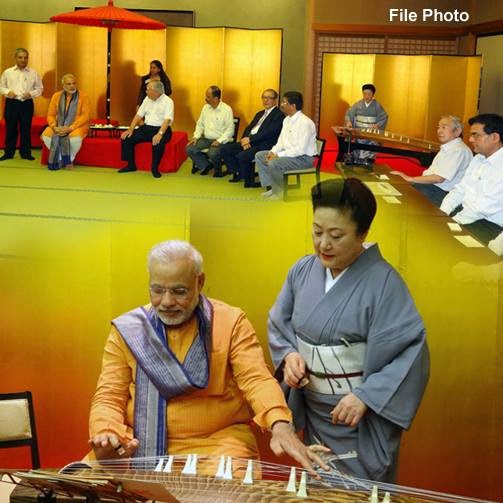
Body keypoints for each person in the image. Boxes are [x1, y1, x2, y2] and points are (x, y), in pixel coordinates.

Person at [88, 240, 327, 475]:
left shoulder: (231, 322)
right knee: (81, 482)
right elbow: (109, 395)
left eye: (179, 291)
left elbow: (256, 379)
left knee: (227, 486)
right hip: (140, 444)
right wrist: (106, 433)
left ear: (199, 282)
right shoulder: (129, 330)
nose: (167, 302)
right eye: (157, 290)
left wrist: (280, 425)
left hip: (217, 444)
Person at [268, 178, 429, 482]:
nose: (323, 244)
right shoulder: (302, 271)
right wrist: (289, 356)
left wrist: (366, 396)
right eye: (317, 231)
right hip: (314, 410)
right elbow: (279, 323)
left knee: (361, 492)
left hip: (358, 417)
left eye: (336, 235)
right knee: (316, 486)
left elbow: (411, 352)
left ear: (362, 233)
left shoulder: (385, 283)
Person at [440, 113, 503, 235]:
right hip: (466, 214)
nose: (470, 140)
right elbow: (460, 189)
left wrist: (453, 222)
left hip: (490, 226)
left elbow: (485, 207)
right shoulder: (478, 158)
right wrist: (441, 213)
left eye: (476, 135)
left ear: (495, 137)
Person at [390, 115, 472, 207]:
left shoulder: (458, 150)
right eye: (438, 127)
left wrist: (410, 179)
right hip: (432, 188)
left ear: (457, 131)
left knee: (400, 199)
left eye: (444, 127)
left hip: (441, 194)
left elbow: (439, 178)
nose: (439, 131)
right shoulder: (450, 147)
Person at [255, 91, 316, 199]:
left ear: (293, 106)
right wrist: (272, 152)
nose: (281, 105)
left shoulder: (305, 123)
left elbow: (300, 150)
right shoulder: (286, 120)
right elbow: (281, 141)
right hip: (288, 155)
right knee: (260, 156)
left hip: (303, 158)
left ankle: (279, 192)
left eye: (284, 102)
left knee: (274, 162)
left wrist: (278, 155)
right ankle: (272, 187)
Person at [220, 89, 284, 187]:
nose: (266, 100)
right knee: (225, 149)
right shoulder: (260, 113)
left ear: (275, 100)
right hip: (250, 141)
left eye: (269, 98)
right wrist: (244, 140)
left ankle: (249, 181)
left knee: (243, 155)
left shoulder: (279, 115)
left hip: (264, 144)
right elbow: (249, 128)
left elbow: (268, 132)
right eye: (264, 97)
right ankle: (240, 171)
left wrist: (250, 140)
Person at [119, 80, 173, 179]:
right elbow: (139, 115)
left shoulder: (168, 101)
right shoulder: (147, 99)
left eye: (148, 89)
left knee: (158, 143)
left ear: (157, 92)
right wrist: (131, 129)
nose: (146, 91)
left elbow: (167, 120)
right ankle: (131, 165)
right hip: (147, 128)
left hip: (162, 129)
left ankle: (154, 168)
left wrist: (160, 134)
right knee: (126, 138)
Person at [0, 48, 43, 161]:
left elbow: (39, 89)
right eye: (20, 57)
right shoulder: (8, 72)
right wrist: (8, 92)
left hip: (26, 104)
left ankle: (26, 153)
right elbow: (1, 87)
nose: (23, 60)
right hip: (12, 103)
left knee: (26, 128)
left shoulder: (33, 73)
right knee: (10, 128)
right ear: (15, 58)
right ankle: (8, 153)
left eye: (25, 57)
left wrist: (31, 94)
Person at [40, 74, 90, 170]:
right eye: (69, 84)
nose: (72, 86)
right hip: (59, 125)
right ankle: (60, 158)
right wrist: (54, 126)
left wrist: (70, 128)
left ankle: (69, 160)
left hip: (78, 126)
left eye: (74, 83)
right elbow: (50, 114)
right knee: (46, 135)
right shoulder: (56, 96)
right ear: (63, 85)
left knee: (75, 139)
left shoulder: (84, 96)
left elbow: (85, 116)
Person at [186, 86, 234, 177]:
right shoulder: (205, 108)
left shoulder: (226, 109)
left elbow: (230, 129)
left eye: (208, 97)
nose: (206, 99)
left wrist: (219, 141)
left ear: (215, 99)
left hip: (220, 140)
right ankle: (206, 165)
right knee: (189, 148)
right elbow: (200, 124)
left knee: (212, 152)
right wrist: (196, 137)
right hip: (206, 139)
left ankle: (218, 170)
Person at [344, 84, 388, 167]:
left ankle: (367, 166)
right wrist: (349, 122)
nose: (366, 96)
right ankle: (356, 166)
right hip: (359, 133)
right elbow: (349, 114)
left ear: (373, 95)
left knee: (369, 152)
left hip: (370, 134)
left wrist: (377, 125)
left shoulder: (377, 106)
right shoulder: (358, 104)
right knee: (357, 150)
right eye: (364, 94)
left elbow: (384, 117)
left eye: (369, 94)